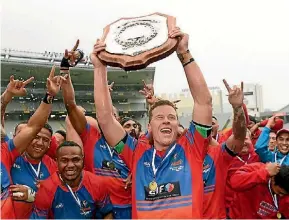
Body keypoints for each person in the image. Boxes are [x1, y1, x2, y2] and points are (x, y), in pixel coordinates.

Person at [91, 27, 212, 218]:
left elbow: (203, 102)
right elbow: (105, 119)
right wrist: (99, 68)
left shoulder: (192, 147)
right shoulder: (136, 153)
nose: (167, 121)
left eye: (172, 118)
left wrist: (184, 53)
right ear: (149, 126)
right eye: (160, 117)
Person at [60, 40, 132, 219]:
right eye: (107, 117)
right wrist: (65, 69)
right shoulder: (91, 137)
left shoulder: (133, 145)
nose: (110, 120)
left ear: (119, 122)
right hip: (98, 210)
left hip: (130, 210)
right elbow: (71, 106)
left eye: (114, 117)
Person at [0, 66, 60, 219]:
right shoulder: (11, 155)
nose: (39, 142)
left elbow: (34, 126)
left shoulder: (5, 153)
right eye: (36, 138)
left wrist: (50, 95)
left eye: (45, 139)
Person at [30, 141, 113, 219]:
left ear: (82, 160)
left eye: (75, 160)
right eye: (64, 160)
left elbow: (108, 213)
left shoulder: (97, 183)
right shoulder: (46, 188)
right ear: (57, 162)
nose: (70, 165)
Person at [203, 80, 247, 219]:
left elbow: (239, 137)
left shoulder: (217, 154)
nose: (206, 124)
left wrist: (237, 108)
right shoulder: (178, 156)